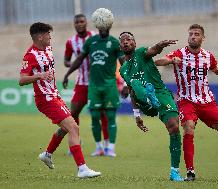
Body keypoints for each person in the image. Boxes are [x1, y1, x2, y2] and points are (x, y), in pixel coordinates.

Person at [155, 24, 218, 181]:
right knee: (188, 128)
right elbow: (159, 61)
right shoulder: (179, 53)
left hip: (207, 102)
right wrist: (170, 61)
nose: (193, 36)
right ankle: (190, 172)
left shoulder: (208, 56)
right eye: (191, 34)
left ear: (202, 38)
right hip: (186, 101)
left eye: (196, 34)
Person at [18, 22, 101, 178]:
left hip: (54, 95)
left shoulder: (48, 48)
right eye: (48, 34)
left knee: (65, 128)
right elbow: (21, 80)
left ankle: (47, 154)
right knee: (74, 128)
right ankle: (82, 168)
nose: (50, 36)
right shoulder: (30, 55)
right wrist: (39, 76)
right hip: (45, 99)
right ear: (40, 36)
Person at [119, 31, 184, 182]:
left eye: (129, 39)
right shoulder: (123, 69)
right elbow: (132, 93)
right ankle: (149, 98)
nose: (126, 42)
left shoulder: (141, 53)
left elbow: (153, 50)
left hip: (161, 94)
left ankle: (174, 172)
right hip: (144, 103)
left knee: (174, 127)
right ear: (120, 46)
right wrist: (137, 116)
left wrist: (161, 44)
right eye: (123, 41)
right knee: (135, 84)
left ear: (134, 43)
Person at [63, 8, 124, 157]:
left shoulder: (106, 40)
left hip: (104, 83)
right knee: (83, 114)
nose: (79, 24)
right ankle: (87, 144)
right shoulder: (79, 41)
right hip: (87, 84)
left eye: (82, 21)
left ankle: (109, 146)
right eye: (76, 22)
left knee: (106, 115)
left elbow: (121, 62)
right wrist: (68, 71)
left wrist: (126, 82)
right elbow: (74, 59)